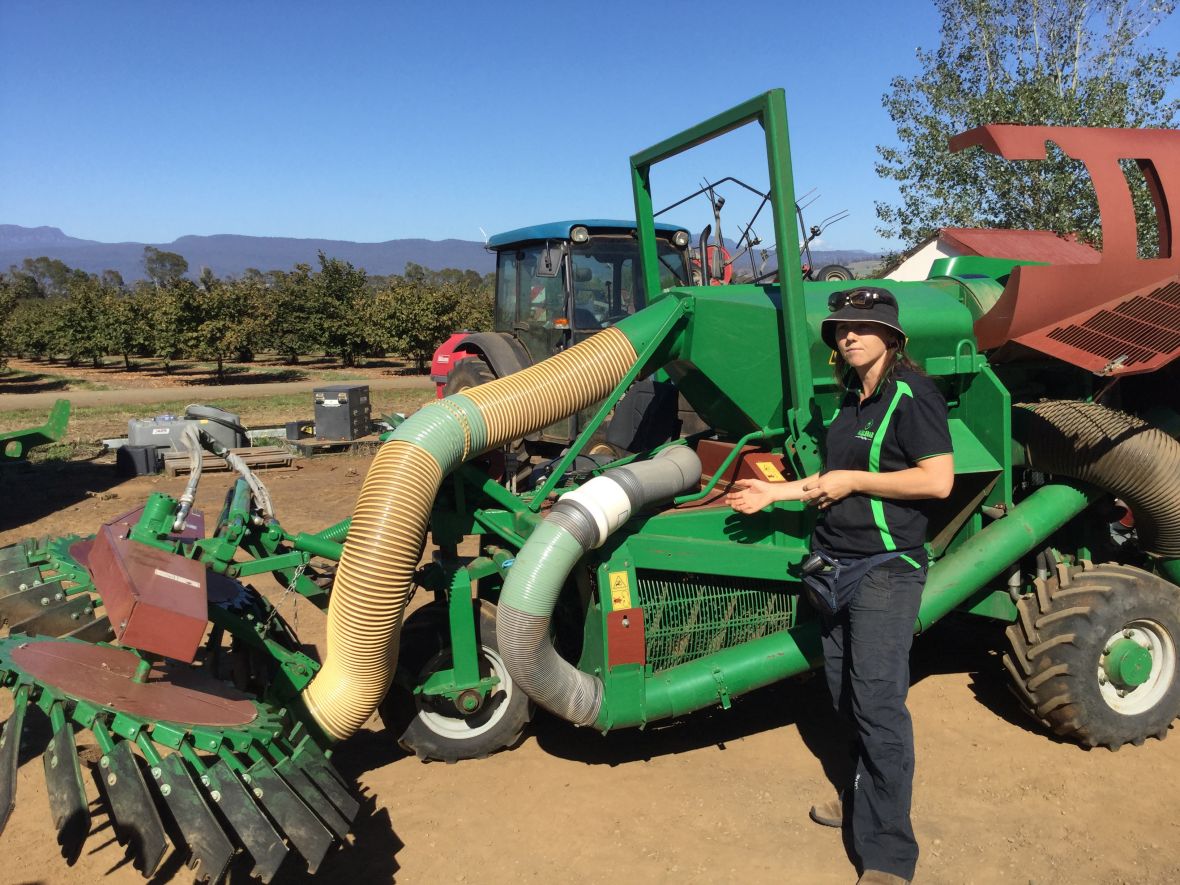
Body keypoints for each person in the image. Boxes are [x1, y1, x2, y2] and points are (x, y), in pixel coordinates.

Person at [726, 286, 954, 885]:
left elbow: (937, 482)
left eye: (861, 326)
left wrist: (853, 479)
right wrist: (770, 494)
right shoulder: (851, 399)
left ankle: (887, 855)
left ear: (892, 335)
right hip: (834, 566)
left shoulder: (914, 394)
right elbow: (829, 480)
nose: (847, 336)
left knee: (877, 705)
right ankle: (860, 802)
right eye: (840, 329)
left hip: (885, 568)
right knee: (843, 696)